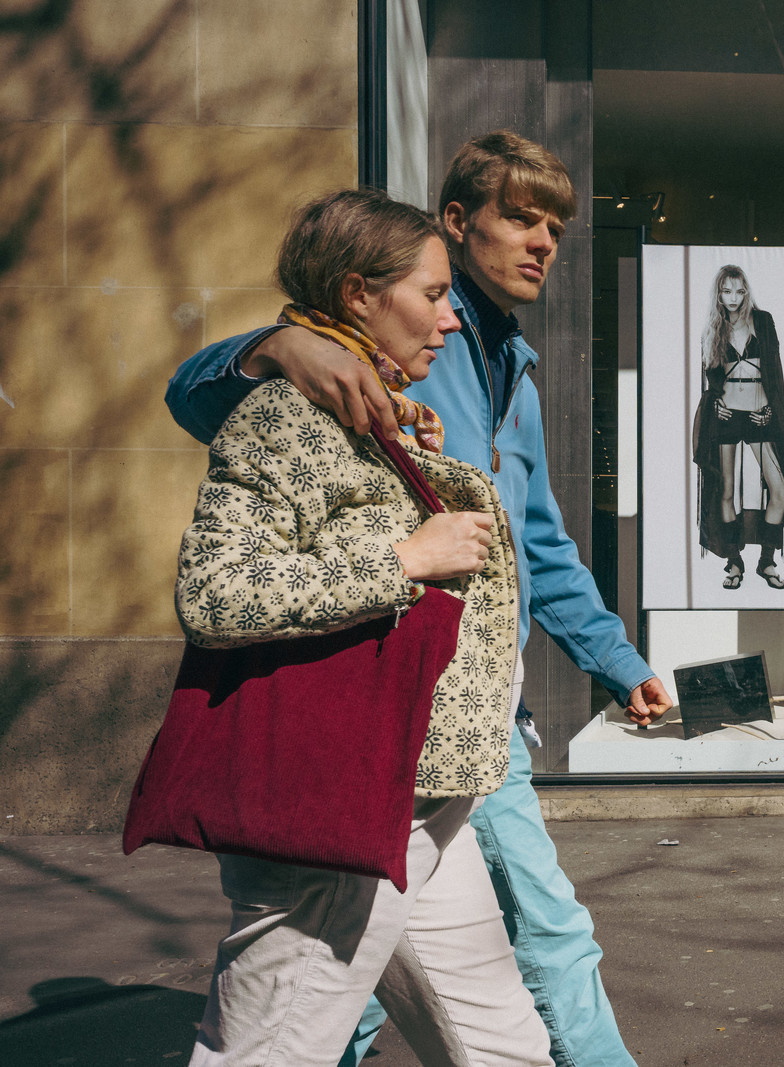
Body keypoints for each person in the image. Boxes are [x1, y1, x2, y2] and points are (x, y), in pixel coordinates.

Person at [166, 131, 671, 1067]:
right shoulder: (330, 366)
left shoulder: (503, 372)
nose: (543, 241)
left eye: (556, 224)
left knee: (452, 1009)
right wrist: (278, 346)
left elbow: (540, 548)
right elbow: (206, 424)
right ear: (453, 224)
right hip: (373, 736)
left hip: (464, 730)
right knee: (490, 953)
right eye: (521, 216)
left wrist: (616, 659)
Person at [179, 189, 552, 1065]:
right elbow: (216, 591)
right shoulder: (285, 418)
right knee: (269, 1047)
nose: (451, 319)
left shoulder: (376, 417)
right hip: (341, 803)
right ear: (358, 295)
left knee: (501, 1041)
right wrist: (403, 560)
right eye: (431, 294)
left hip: (422, 797)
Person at [691, 265, 784, 589]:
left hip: (759, 415)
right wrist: (716, 400)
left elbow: (774, 371)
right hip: (726, 416)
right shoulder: (713, 327)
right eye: (726, 291)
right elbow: (711, 375)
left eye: (738, 291)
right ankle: (734, 561)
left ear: (746, 291)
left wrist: (772, 410)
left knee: (779, 491)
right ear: (718, 293)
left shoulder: (762, 321)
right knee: (726, 491)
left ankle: (766, 561)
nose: (733, 298)